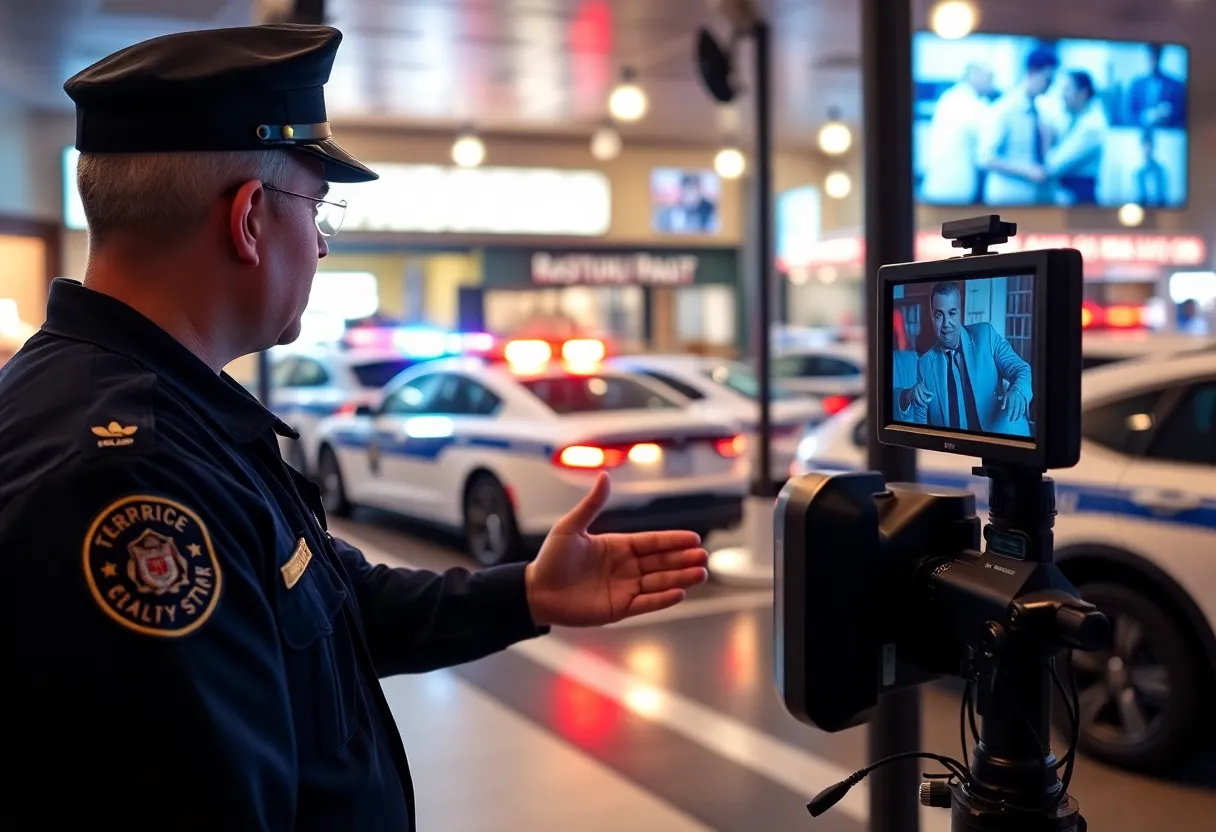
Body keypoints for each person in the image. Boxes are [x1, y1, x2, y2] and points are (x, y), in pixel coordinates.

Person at [0, 24, 709, 829]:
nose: (324, 244)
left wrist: (526, 593)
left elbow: (333, 604)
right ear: (250, 219)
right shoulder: (132, 477)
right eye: (318, 207)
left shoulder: (170, 414)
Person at [897, 282, 1033, 437]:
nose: (946, 324)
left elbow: (1021, 369)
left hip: (1004, 444)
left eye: (952, 313)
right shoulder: (925, 364)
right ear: (932, 318)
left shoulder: (986, 336)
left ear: (960, 313)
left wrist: (1018, 391)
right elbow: (919, 424)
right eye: (939, 315)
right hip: (957, 455)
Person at [977, 47, 1060, 205]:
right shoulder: (1004, 109)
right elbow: (985, 158)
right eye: (1047, 79)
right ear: (1032, 72)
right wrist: (1026, 170)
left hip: (1033, 197)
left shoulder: (1041, 110)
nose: (1050, 85)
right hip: (1007, 197)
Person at [919, 62, 995, 204]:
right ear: (973, 75)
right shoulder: (964, 102)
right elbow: (987, 137)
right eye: (989, 78)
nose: (992, 84)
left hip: (946, 180)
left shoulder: (954, 97)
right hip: (952, 183)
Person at [1042, 70, 1109, 206]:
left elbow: (1053, 165)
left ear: (1083, 93)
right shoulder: (1075, 119)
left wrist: (1046, 138)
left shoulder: (1091, 126)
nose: (1062, 96)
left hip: (1079, 200)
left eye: (1067, 90)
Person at [1126, 43, 1187, 129]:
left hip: (1168, 134)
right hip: (1139, 134)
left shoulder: (1176, 85)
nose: (1153, 61)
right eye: (1151, 57)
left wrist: (1168, 114)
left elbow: (1183, 115)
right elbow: (1127, 115)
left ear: (1160, 57)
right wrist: (1146, 117)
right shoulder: (1137, 84)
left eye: (1156, 57)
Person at [1135, 128, 1169, 207]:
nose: (1147, 148)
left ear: (1153, 146)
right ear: (1141, 146)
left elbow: (1163, 199)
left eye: (1149, 144)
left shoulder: (1161, 171)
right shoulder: (1138, 173)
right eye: (1145, 145)